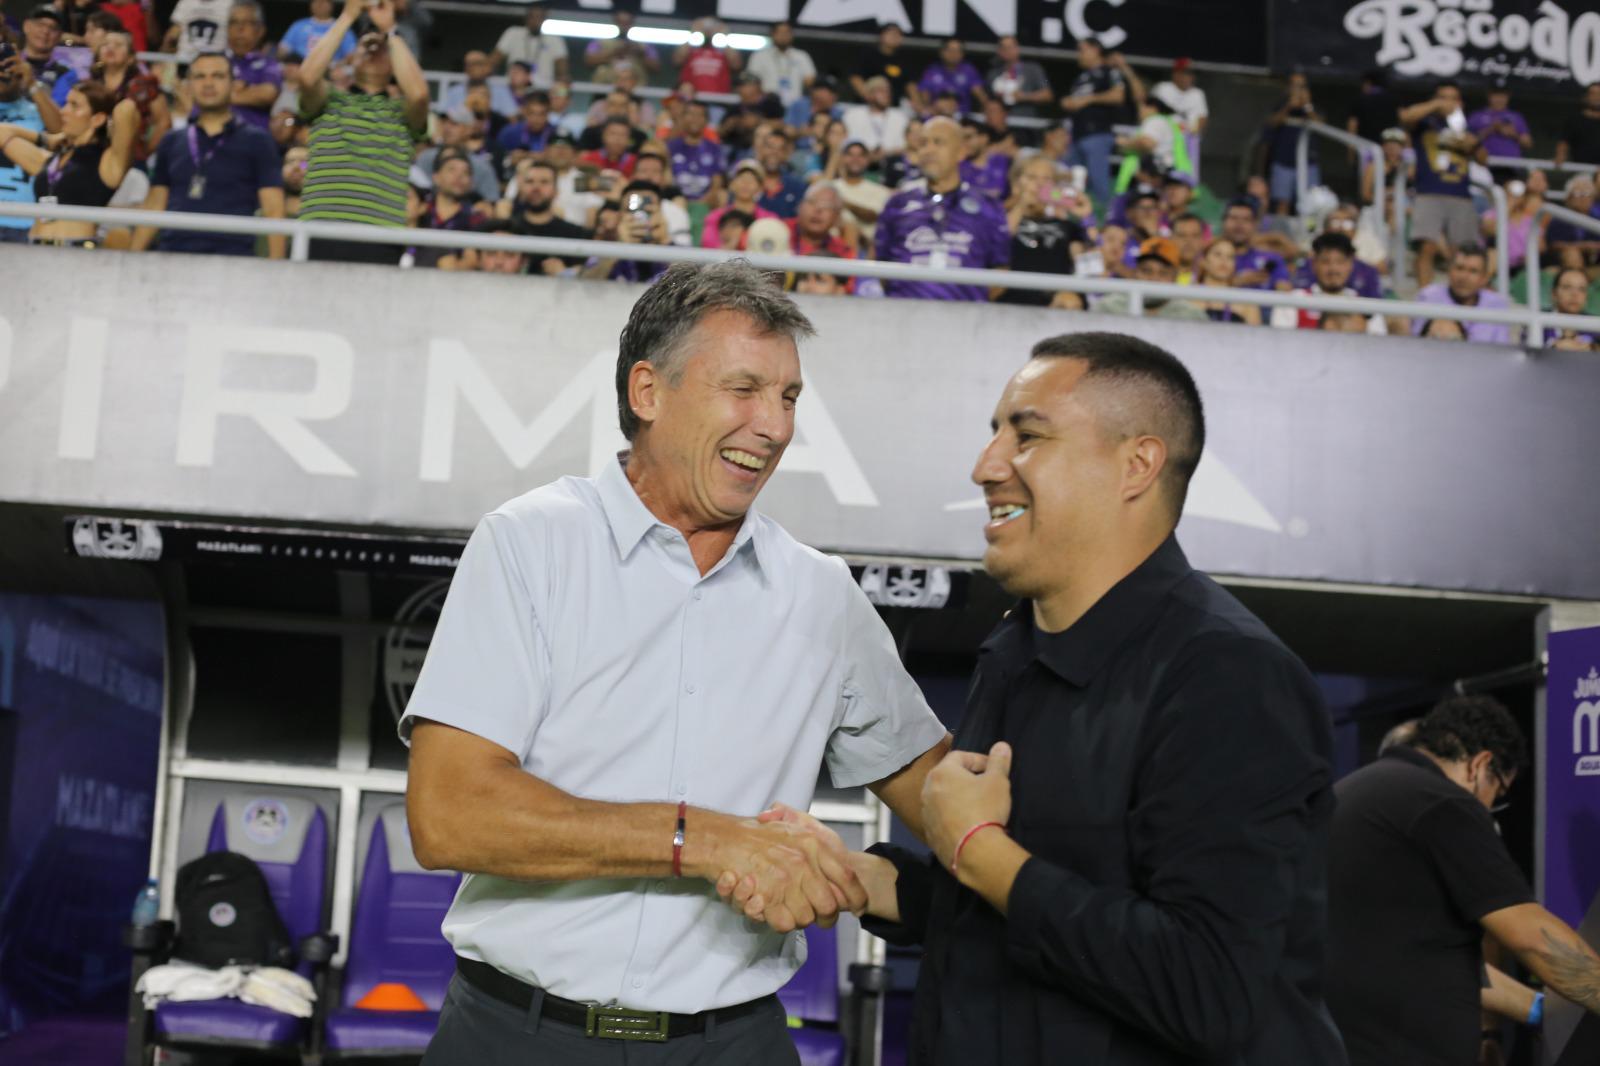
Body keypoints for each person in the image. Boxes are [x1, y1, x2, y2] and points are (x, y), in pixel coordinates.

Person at [404, 260, 950, 1062]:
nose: (774, 426)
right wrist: (706, 840)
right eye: (745, 389)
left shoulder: (824, 596)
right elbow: (449, 813)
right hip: (514, 1037)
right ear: (648, 392)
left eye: (789, 397)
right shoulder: (531, 542)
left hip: (733, 1044)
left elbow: (952, 803)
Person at [820, 332, 1346, 1066]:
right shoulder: (1014, 654)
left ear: (1137, 465)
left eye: (1027, 436)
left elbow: (1210, 989)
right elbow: (1021, 915)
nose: (986, 466)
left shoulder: (1229, 674)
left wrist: (977, 849)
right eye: (994, 434)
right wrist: (870, 883)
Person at [1328, 695, 1600, 1066]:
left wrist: (1537, 1009)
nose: (1490, 808)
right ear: (1481, 765)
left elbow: (1425, 960)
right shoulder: (1442, 803)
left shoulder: (1357, 790)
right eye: (1498, 793)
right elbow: (1532, 937)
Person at [297, 0, 428, 263]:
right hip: (320, 231)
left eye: (381, 49)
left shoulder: (401, 112)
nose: (373, 49)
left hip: (381, 236)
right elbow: (307, 77)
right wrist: (347, 17)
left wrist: (390, 31)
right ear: (350, 59)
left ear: (395, 66)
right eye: (365, 45)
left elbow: (420, 93)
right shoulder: (328, 101)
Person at [132, 51, 283, 258]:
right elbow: (155, 204)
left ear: (233, 84)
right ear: (189, 85)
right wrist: (131, 258)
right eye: (200, 76)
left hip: (233, 259)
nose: (208, 83)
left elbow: (274, 211)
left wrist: (278, 274)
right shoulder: (171, 140)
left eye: (218, 76)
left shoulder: (258, 141)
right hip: (172, 255)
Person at [874, 115, 1009, 301]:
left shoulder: (988, 207)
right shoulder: (897, 203)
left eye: (938, 142)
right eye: (923, 143)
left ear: (961, 151)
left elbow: (1000, 270)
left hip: (966, 319)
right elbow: (881, 264)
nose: (928, 150)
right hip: (903, 314)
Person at [0, 78, 133, 243]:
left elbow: (127, 109)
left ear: (97, 119)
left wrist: (107, 97)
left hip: (75, 253)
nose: (63, 111)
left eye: (74, 105)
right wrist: (46, 139)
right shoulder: (51, 162)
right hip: (34, 249)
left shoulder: (108, 162)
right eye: (66, 103)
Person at [1401, 80, 1479, 288]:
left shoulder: (1464, 125)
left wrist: (1473, 144)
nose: (1448, 103)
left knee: (1461, 253)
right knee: (1427, 246)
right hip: (1429, 192)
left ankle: (1458, 296)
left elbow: (1483, 158)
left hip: (1461, 195)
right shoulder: (1425, 122)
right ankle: (1425, 297)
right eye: (1443, 97)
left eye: (1453, 98)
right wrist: (1436, 105)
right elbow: (1406, 116)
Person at [998, 155, 1088, 308]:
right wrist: (1021, 205)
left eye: (1047, 179)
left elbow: (1087, 266)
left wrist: (1085, 216)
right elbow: (999, 241)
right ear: (1016, 184)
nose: (1039, 184)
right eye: (1032, 177)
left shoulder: (1066, 225)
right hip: (1013, 297)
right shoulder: (999, 217)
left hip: (1057, 301)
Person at [0, 28, 57, 244]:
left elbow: (60, 135)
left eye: (9, 64)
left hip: (24, 220)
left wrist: (32, 85)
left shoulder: (37, 109)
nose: (4, 70)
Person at [1271, 232, 1386, 333]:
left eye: (1340, 262)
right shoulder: (1292, 302)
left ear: (1351, 264)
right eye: (1325, 262)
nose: (1333, 269)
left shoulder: (1367, 307)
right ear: (1314, 264)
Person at [1059, 37, 1124, 207]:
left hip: (1097, 134)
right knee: (1069, 181)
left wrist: (1087, 100)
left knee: (1098, 182)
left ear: (1095, 49)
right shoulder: (1081, 78)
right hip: (1076, 135)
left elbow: (1118, 95)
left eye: (1082, 50)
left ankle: (1103, 221)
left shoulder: (1108, 71)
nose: (1078, 55)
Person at [92, 29, 165, 163]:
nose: (110, 47)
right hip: (92, 155)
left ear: (131, 57)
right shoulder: (89, 85)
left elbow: (164, 122)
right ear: (97, 55)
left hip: (130, 158)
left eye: (118, 45)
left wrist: (144, 151)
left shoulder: (145, 84)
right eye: (105, 44)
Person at [1414, 244, 1512, 345]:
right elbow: (1418, 343)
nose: (1464, 277)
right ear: (1449, 270)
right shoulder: (1429, 296)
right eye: (1459, 268)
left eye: (1473, 271)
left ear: (1484, 278)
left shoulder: (1497, 304)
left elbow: (1501, 349)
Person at [410, 146, 489, 269]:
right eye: (451, 170)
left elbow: (472, 261)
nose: (459, 176)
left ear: (471, 183)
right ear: (436, 177)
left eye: (466, 173)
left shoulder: (476, 218)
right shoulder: (420, 209)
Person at [1097, 238, 1207, 319]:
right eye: (1146, 271)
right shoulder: (1109, 308)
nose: (1154, 278)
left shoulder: (1191, 315)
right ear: (1135, 273)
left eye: (1163, 273)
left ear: (1175, 277)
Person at [1261, 71, 1319, 215]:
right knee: (1282, 203)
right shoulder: (1280, 105)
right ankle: (1282, 235)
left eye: (1302, 86)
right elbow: (1271, 123)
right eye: (1294, 85)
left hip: (1308, 164)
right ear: (1288, 87)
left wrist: (1307, 106)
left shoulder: (1312, 107)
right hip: (1283, 162)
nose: (1298, 90)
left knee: (1310, 204)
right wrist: (1288, 106)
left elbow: (1320, 125)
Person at [224, 1, 281, 132]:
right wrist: (246, 92)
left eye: (247, 22)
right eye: (234, 22)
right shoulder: (215, 60)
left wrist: (220, 96)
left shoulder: (269, 64)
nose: (240, 28)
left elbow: (267, 93)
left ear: (260, 31)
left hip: (253, 138)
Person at [1480, 169, 1546, 277]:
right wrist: (1509, 205)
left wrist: (1527, 255)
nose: (1515, 196)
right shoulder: (1491, 214)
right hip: (1497, 263)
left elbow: (1541, 245)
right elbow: (1490, 231)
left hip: (1522, 265)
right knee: (1493, 256)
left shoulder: (1530, 220)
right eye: (1510, 192)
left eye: (1519, 193)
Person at [699, 158, 775, 247]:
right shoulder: (715, 217)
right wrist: (731, 244)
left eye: (752, 180)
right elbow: (709, 249)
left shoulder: (769, 220)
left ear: (760, 188)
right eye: (741, 178)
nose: (746, 183)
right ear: (732, 184)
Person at [490, 3, 567, 90]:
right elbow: (494, 61)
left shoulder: (554, 39)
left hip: (542, 89)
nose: (535, 20)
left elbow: (562, 70)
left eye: (539, 17)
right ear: (526, 18)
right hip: (513, 86)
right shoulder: (513, 33)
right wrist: (489, 78)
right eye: (532, 17)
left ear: (545, 18)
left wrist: (561, 86)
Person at [1220, 197, 1291, 290]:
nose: (1239, 224)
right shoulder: (1210, 257)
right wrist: (1235, 282)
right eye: (1234, 218)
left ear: (1255, 225)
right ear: (1223, 222)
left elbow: (1285, 293)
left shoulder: (1272, 259)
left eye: (1246, 219)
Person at [1150, 57, 1206, 176]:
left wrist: (1194, 131)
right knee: (1160, 173)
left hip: (1186, 142)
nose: (1189, 77)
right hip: (1163, 141)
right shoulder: (1163, 88)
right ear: (1175, 74)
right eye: (1185, 73)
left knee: (1185, 175)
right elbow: (1151, 111)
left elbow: (1202, 117)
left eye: (1191, 74)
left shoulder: (1197, 94)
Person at [1193, 237, 1263, 324]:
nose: (1224, 260)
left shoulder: (1247, 303)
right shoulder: (1188, 297)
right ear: (1203, 261)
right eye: (1218, 254)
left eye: (1230, 257)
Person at [666, 99, 724, 203]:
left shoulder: (714, 149)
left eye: (700, 115)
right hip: (675, 201)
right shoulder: (671, 146)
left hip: (705, 203)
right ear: (683, 118)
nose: (695, 119)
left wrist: (700, 203)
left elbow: (717, 182)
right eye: (691, 114)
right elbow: (666, 178)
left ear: (707, 120)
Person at [1469, 85, 1531, 182]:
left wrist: (1513, 134)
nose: (1499, 99)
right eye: (1496, 95)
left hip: (1511, 169)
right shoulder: (1477, 116)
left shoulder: (1516, 117)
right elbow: (1468, 142)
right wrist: (1491, 129)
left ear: (1508, 96)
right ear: (1489, 95)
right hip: (1484, 166)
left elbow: (1528, 143)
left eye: (1502, 95)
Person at [841, 75, 907, 164]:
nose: (886, 94)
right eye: (881, 91)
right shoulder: (852, 115)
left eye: (888, 91)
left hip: (893, 164)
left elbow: (908, 145)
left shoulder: (900, 117)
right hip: (859, 164)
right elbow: (843, 142)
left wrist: (887, 153)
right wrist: (866, 154)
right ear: (868, 95)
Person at [746, 22, 813, 109]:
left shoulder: (801, 56)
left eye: (787, 33)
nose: (783, 36)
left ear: (792, 35)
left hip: (795, 105)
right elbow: (751, 81)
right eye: (780, 33)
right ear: (772, 34)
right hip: (767, 104)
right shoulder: (759, 56)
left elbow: (810, 81)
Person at [825, 138, 890, 228]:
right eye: (850, 155)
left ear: (867, 159)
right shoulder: (830, 188)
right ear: (842, 158)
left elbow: (873, 216)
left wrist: (844, 203)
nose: (855, 159)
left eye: (861, 155)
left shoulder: (880, 191)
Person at [584, 10, 658, 84]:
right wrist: (613, 53)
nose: (623, 26)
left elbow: (656, 67)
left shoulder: (644, 45)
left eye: (627, 23)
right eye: (620, 22)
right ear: (615, 22)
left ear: (632, 23)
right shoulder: (599, 42)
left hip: (635, 89)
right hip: (604, 87)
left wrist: (641, 53)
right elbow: (588, 61)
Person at [19, 5, 74, 105]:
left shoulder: (65, 74)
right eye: (40, 25)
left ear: (59, 36)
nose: (45, 31)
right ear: (26, 26)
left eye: (53, 28)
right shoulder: (6, 63)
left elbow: (58, 108)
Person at [986, 35, 1050, 121]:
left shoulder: (1033, 69)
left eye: (1010, 47)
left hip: (1026, 124)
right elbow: (987, 101)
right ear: (999, 51)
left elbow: (1047, 95)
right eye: (1004, 48)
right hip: (1002, 124)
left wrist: (1024, 96)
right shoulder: (993, 74)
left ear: (1018, 48)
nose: (1007, 51)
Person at [916, 38, 985, 116]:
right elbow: (924, 95)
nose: (954, 54)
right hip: (936, 115)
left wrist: (986, 107)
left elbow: (980, 94)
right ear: (942, 52)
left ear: (962, 54)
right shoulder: (932, 71)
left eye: (958, 50)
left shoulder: (969, 70)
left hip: (962, 116)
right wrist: (927, 108)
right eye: (950, 50)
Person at [1546, 174, 1600, 269]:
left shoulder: (1597, 219)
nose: (1583, 198)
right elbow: (1553, 244)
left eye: (1587, 193)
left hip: (1595, 262)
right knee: (1572, 254)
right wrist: (1582, 246)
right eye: (1578, 194)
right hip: (1565, 262)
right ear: (1568, 198)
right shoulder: (1559, 219)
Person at [851, 23, 910, 109]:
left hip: (893, 108)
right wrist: (868, 96)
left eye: (898, 34)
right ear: (881, 35)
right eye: (891, 33)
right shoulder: (868, 55)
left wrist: (919, 105)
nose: (894, 36)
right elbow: (855, 77)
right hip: (867, 107)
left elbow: (910, 84)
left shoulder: (904, 59)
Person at [675, 17, 739, 96]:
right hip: (692, 99)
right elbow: (677, 60)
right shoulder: (691, 50)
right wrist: (694, 32)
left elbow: (736, 65)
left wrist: (723, 34)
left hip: (719, 100)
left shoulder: (722, 52)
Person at [164, 0, 235, 67]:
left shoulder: (229, 3)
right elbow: (173, 34)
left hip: (216, 62)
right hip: (185, 61)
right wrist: (162, 61)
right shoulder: (186, 2)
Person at [279, 0, 353, 64]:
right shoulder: (299, 25)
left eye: (323, 1)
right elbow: (283, 50)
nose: (319, 4)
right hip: (299, 67)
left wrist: (337, 65)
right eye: (316, 1)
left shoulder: (341, 27)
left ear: (331, 5)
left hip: (329, 69)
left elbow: (351, 55)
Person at [1544, 266, 1597, 350]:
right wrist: (1553, 348)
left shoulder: (1595, 326)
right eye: (1567, 287)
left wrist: (1593, 349)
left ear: (1586, 297)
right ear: (1554, 294)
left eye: (1581, 289)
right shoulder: (1538, 323)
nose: (1575, 294)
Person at [959, 117, 1010, 202]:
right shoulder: (957, 168)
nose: (964, 143)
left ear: (984, 138)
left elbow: (1015, 195)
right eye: (961, 139)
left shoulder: (1004, 162)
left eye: (968, 137)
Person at [1554, 82, 1600, 168]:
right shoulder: (1574, 120)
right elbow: (1563, 142)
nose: (1597, 97)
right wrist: (1560, 155)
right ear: (1586, 97)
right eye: (1593, 94)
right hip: (1580, 170)